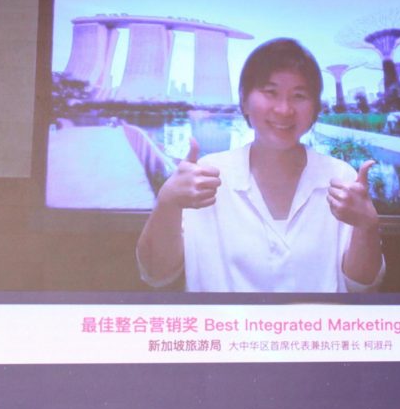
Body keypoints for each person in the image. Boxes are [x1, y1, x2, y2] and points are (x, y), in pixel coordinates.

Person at [136, 38, 384, 292]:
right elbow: (157, 274)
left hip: (315, 320)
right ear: (244, 100)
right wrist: (167, 201)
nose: (284, 109)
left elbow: (361, 285)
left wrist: (367, 226)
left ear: (314, 108)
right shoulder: (207, 176)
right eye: (270, 92)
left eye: (299, 96)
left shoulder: (339, 176)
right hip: (223, 320)